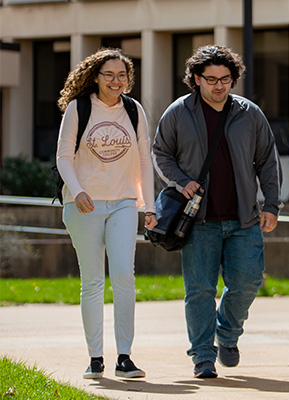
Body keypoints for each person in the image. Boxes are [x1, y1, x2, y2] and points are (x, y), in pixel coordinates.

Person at [152, 45, 283, 378]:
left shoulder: (249, 113)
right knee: (200, 290)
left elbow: (268, 159)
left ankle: (227, 332)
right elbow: (160, 153)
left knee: (249, 281)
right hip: (198, 221)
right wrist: (181, 181)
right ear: (196, 79)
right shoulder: (179, 112)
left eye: (225, 79)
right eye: (211, 79)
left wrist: (271, 203)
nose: (219, 85)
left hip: (243, 218)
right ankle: (202, 356)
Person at [56, 48, 157, 380]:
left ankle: (124, 357)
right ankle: (95, 357)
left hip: (124, 202)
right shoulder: (78, 108)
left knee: (125, 278)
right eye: (109, 75)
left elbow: (145, 159)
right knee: (93, 281)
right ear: (95, 77)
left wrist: (150, 206)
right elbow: (63, 157)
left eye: (122, 75)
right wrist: (78, 190)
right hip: (84, 204)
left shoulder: (133, 109)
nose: (116, 81)